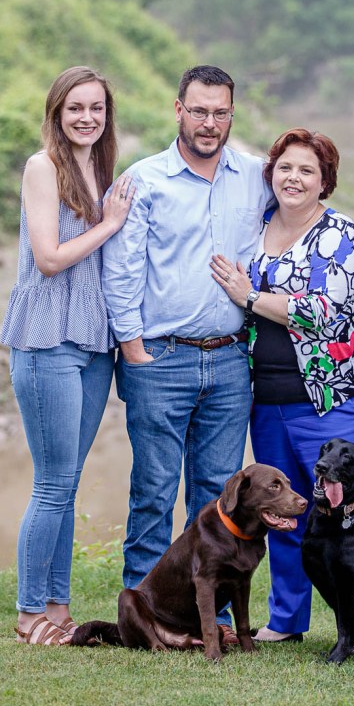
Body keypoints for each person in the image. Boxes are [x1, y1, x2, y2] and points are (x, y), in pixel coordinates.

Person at [101, 65, 272, 640]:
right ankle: (146, 618)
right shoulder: (143, 180)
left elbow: (301, 210)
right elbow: (121, 270)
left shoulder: (255, 177)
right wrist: (133, 349)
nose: (209, 122)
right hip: (161, 358)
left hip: (229, 361)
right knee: (152, 490)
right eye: (199, 110)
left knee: (218, 497)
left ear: (232, 113)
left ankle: (212, 621)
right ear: (178, 109)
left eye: (221, 112)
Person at [211, 128, 354, 643]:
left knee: (350, 512)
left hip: (331, 401)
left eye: (307, 170)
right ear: (271, 174)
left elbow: (328, 312)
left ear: (324, 180)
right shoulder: (256, 226)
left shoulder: (338, 232)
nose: (294, 178)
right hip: (269, 400)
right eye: (285, 167)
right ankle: (286, 622)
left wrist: (250, 294)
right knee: (280, 514)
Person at [1, 66, 134, 645]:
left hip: (94, 341)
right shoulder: (42, 166)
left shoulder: (101, 166)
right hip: (47, 336)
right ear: (57, 112)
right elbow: (50, 258)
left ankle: (58, 608)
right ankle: (30, 614)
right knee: (52, 482)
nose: (87, 117)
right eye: (75, 107)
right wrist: (109, 224)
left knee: (69, 480)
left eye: (96, 108)